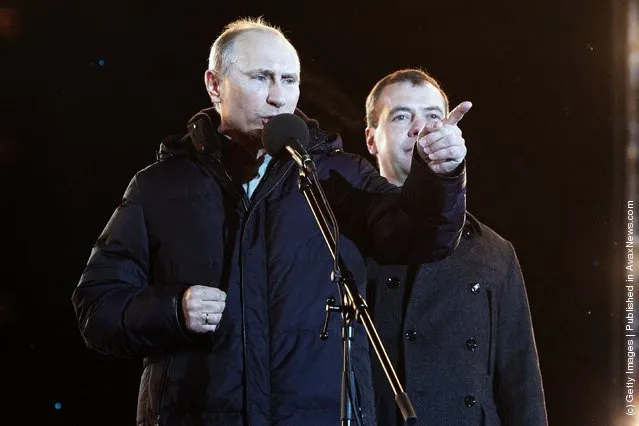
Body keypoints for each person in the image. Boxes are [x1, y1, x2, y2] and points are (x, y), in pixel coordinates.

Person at [71, 19, 469, 426]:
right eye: (261, 78)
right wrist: (174, 310)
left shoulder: (337, 176)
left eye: (290, 80)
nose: (279, 97)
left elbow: (423, 238)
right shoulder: (159, 187)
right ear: (214, 85)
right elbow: (96, 308)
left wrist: (441, 174)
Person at [364, 68, 548, 425]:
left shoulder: (494, 252)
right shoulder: (341, 237)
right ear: (372, 139)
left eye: (433, 116)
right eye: (402, 116)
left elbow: (520, 382)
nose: (421, 129)